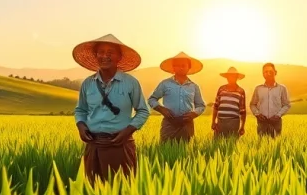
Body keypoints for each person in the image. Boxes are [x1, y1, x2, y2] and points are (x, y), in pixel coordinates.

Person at [72, 34, 150, 181]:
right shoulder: (88, 83)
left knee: (122, 189)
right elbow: (81, 110)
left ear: (119, 57)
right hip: (94, 144)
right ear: (96, 56)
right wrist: (81, 126)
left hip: (120, 144)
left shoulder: (131, 82)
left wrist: (128, 131)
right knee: (93, 188)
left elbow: (143, 110)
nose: (104, 56)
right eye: (101, 52)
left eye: (110, 52)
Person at [149, 52, 206, 143]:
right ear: (173, 67)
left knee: (186, 150)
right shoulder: (165, 84)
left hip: (186, 124)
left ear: (188, 67)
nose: (181, 68)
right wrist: (161, 109)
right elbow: (152, 99)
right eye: (177, 65)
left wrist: (193, 114)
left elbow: (201, 105)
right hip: (169, 123)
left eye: (183, 65)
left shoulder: (194, 86)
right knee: (166, 149)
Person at [250, 62, 291, 137]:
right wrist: (257, 114)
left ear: (275, 72)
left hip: (276, 123)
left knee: (276, 143)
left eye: (270, 72)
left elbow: (287, 105)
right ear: (263, 74)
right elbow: (252, 104)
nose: (268, 74)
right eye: (265, 72)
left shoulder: (282, 88)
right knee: (261, 143)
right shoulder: (258, 89)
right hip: (262, 123)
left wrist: (278, 115)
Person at [213, 67, 247, 139]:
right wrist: (213, 121)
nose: (231, 78)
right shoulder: (221, 89)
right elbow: (216, 106)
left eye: (233, 76)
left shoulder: (241, 91)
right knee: (217, 142)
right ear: (227, 77)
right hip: (220, 121)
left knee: (231, 143)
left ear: (236, 77)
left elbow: (243, 111)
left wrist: (242, 127)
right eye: (229, 76)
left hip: (234, 123)